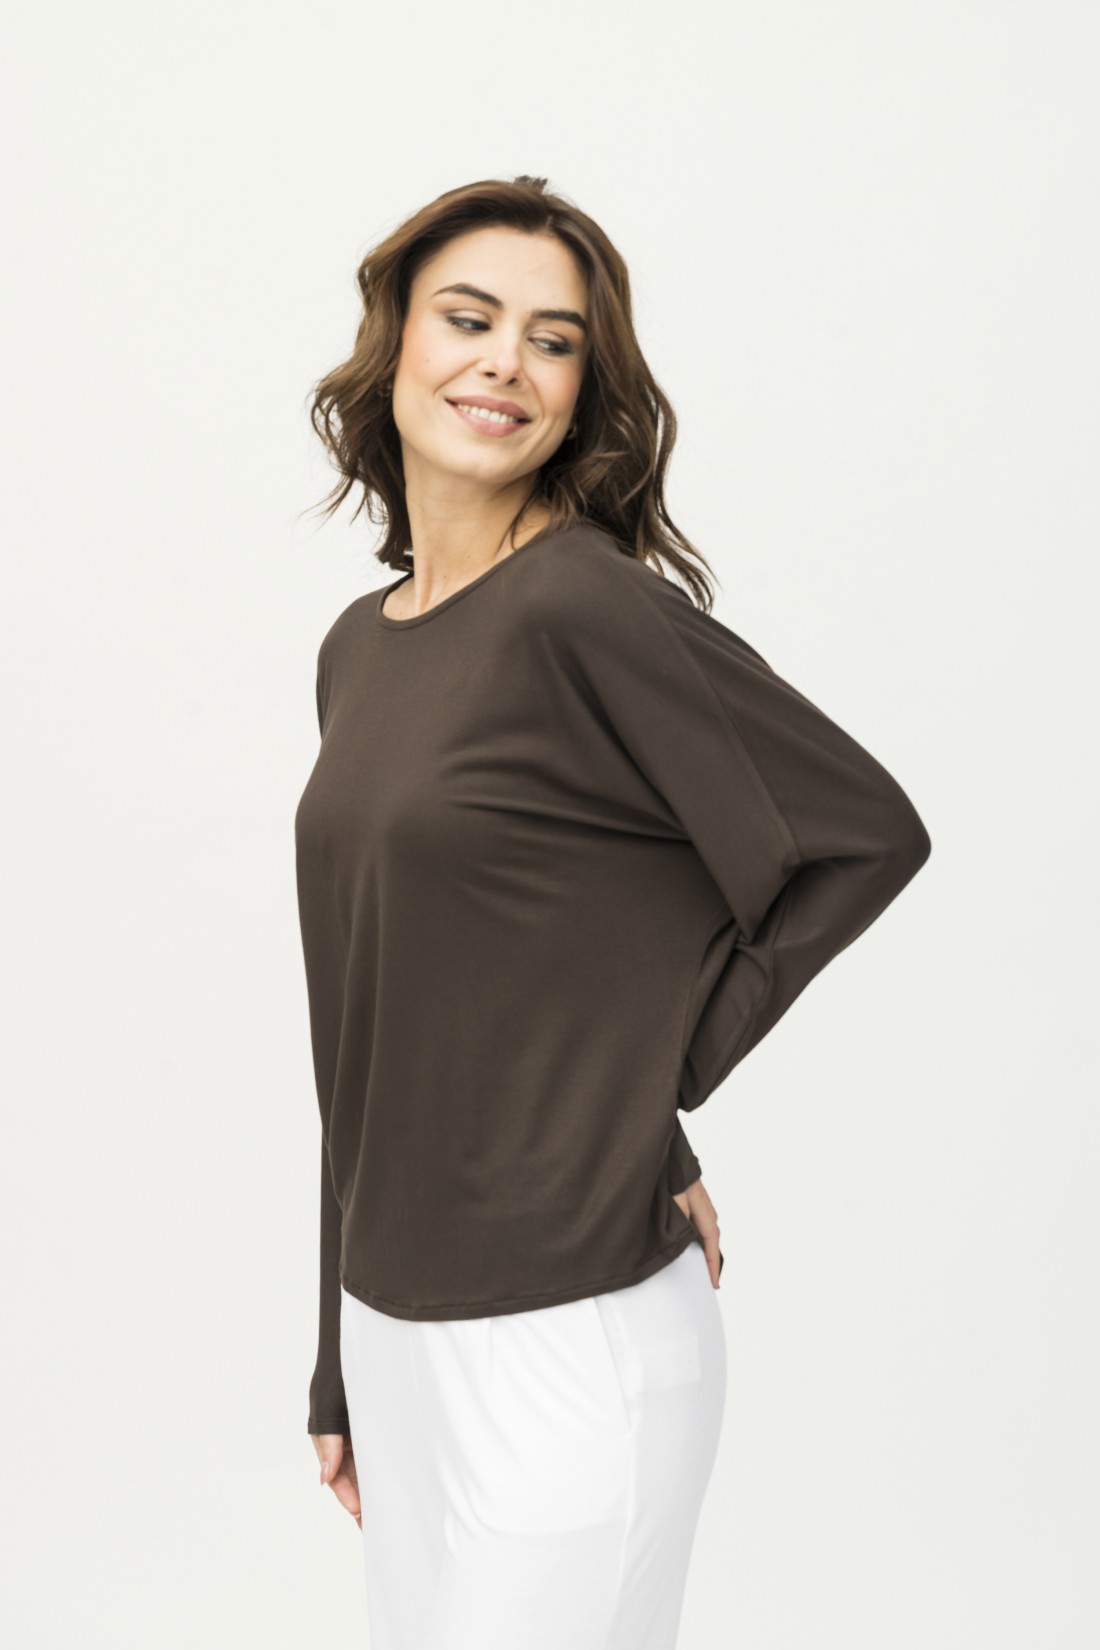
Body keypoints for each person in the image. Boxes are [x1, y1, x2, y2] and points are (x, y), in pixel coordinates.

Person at [293, 174, 932, 1650]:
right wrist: (337, 1351)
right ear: (395, 343)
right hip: (394, 1330)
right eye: (468, 319)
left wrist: (653, 1088)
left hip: (568, 1339)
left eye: (553, 340)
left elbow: (861, 835)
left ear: (584, 390)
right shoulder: (358, 650)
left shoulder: (583, 606)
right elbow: (379, 1023)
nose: (504, 362)